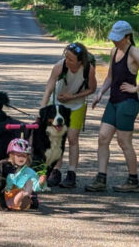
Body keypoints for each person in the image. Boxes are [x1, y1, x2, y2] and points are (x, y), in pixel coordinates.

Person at [85, 21, 139, 193]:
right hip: (114, 101)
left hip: (128, 103)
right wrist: (101, 93)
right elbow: (110, 76)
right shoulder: (114, 51)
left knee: (124, 142)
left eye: (117, 38)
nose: (114, 41)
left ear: (127, 36)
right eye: (113, 38)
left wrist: (136, 88)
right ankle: (101, 178)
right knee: (103, 137)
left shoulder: (134, 52)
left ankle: (133, 181)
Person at [40, 42, 97, 188]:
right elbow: (49, 88)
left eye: (71, 59)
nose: (67, 61)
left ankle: (71, 173)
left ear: (80, 61)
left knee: (72, 138)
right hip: (59, 106)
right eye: (66, 57)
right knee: (58, 138)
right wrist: (42, 110)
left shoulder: (88, 69)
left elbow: (92, 89)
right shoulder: (60, 66)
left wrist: (72, 96)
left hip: (77, 105)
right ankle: (56, 171)